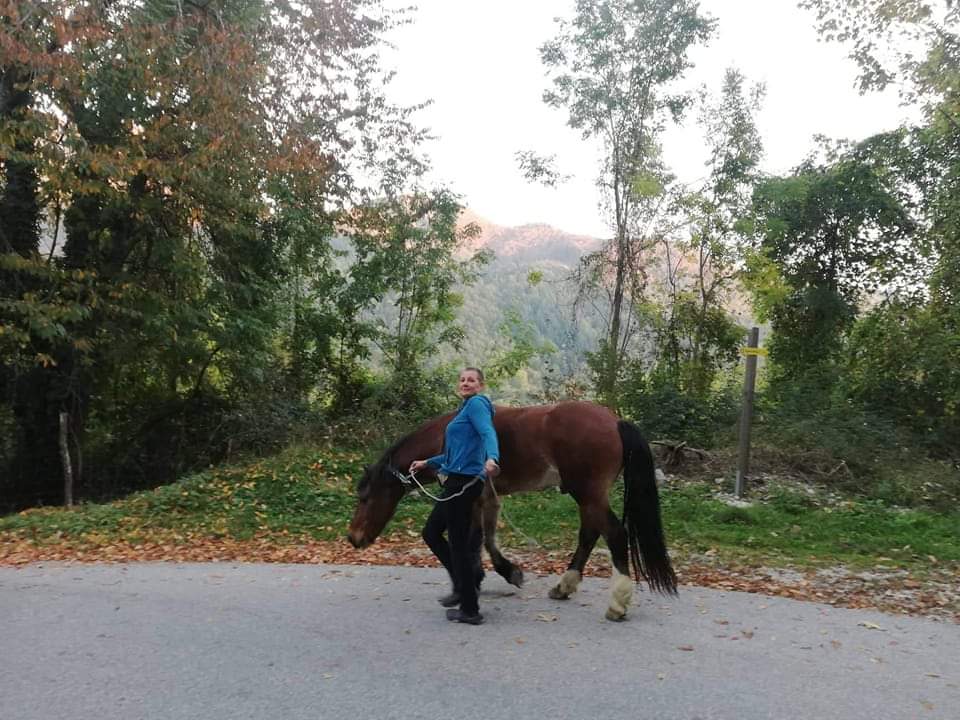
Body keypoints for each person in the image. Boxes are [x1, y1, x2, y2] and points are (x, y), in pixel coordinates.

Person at [409, 367, 500, 626]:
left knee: (457, 544)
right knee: (432, 533)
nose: (465, 383)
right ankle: (464, 584)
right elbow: (455, 455)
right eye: (462, 379)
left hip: (464, 482)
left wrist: (493, 458)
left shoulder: (478, 405)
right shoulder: (464, 409)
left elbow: (487, 434)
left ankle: (470, 608)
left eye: (471, 380)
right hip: (455, 479)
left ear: (480, 385)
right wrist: (428, 461)